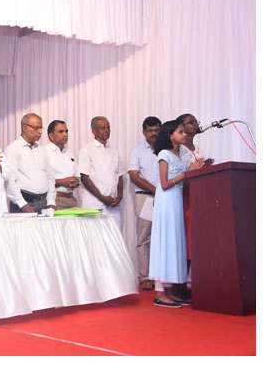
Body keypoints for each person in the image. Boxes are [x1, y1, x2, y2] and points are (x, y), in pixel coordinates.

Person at [149, 120, 205, 307]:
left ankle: (170, 290)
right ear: (170, 135)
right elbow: (164, 184)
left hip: (177, 200)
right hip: (166, 201)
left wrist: (199, 169)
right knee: (164, 242)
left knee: (174, 244)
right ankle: (159, 292)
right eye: (180, 132)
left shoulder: (181, 154)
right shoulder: (164, 154)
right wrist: (188, 173)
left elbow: (184, 181)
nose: (184, 134)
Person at [175, 113, 214, 297]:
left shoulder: (197, 149)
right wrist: (195, 171)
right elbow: (179, 177)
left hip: (199, 199)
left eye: (196, 121)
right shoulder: (179, 150)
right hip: (184, 200)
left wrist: (206, 168)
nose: (196, 124)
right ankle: (180, 285)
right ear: (181, 127)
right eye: (191, 122)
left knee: (197, 243)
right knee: (185, 244)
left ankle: (198, 283)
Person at [128, 116, 162, 291]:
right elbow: (134, 176)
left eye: (156, 130)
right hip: (145, 197)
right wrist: (156, 191)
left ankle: (163, 276)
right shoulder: (138, 151)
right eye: (150, 131)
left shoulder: (167, 149)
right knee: (144, 238)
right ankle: (146, 276)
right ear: (144, 132)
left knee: (164, 237)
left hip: (166, 198)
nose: (153, 134)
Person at [79, 116, 126, 230]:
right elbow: (84, 177)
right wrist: (101, 197)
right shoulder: (87, 150)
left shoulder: (113, 150)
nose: (107, 130)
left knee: (115, 240)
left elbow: (119, 175)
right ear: (94, 131)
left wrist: (119, 196)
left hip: (112, 205)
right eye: (103, 128)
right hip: (94, 204)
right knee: (95, 241)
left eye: (108, 127)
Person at [5, 113, 57, 214]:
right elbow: (11, 180)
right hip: (24, 203)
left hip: (44, 203)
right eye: (36, 128)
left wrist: (51, 201)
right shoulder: (13, 149)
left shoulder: (42, 150)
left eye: (41, 128)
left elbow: (50, 177)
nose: (40, 132)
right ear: (24, 127)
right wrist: (21, 203)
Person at [45, 120, 80, 210]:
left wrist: (75, 182)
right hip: (55, 200)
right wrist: (62, 182)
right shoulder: (44, 153)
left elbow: (77, 176)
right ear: (51, 136)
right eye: (61, 132)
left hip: (71, 199)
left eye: (66, 131)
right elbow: (41, 181)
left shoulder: (69, 153)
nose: (65, 134)